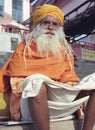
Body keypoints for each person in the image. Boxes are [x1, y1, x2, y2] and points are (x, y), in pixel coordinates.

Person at [0, 4, 95, 130]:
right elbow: (17, 83)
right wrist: (45, 84)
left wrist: (58, 89)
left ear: (59, 28)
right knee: (36, 81)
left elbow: (69, 79)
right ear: (38, 25)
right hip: (30, 103)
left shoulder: (65, 51)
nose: (50, 27)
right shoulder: (24, 47)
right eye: (46, 23)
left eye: (55, 24)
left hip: (59, 102)